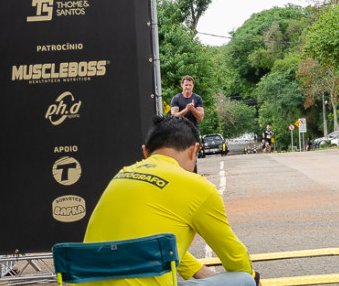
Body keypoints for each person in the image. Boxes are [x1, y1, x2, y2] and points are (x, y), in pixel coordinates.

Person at [84, 116, 257, 286]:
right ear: (193, 150)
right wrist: (253, 278)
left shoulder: (121, 175)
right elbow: (235, 259)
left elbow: (151, 247)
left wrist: (199, 271)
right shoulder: (198, 188)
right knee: (244, 279)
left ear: (145, 152)